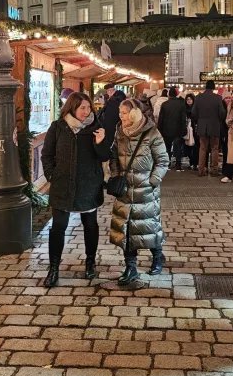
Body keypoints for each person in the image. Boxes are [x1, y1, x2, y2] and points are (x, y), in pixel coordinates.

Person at [40, 92, 110, 287]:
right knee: (58, 227)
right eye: (82, 108)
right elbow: (47, 154)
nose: (86, 112)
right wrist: (51, 175)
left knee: (90, 225)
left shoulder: (96, 128)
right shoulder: (58, 127)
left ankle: (90, 263)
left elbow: (105, 156)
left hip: (88, 185)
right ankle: (53, 268)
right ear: (72, 108)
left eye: (89, 108)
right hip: (62, 184)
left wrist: (100, 142)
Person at [109, 98, 169, 284]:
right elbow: (113, 156)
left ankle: (157, 257)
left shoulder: (151, 133)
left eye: (124, 112)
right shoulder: (119, 132)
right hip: (125, 191)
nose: (121, 116)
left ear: (135, 113)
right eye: (120, 112)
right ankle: (131, 267)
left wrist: (152, 181)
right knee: (126, 230)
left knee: (149, 227)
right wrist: (116, 174)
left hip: (146, 190)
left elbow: (163, 160)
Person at [191, 80, 226, 177]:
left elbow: (193, 113)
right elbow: (222, 113)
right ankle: (214, 170)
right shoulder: (218, 98)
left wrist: (199, 119)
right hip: (214, 126)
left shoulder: (198, 98)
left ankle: (201, 170)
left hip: (202, 126)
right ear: (213, 87)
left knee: (202, 149)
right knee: (214, 148)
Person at [157, 87, 188, 170]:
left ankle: (167, 164)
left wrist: (159, 129)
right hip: (178, 130)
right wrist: (184, 129)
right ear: (176, 94)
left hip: (166, 129)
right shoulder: (181, 104)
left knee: (167, 147)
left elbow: (161, 119)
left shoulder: (164, 104)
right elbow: (183, 118)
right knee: (177, 147)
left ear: (169, 94)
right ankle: (178, 164)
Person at [184, 93, 199, 171]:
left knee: (195, 147)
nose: (189, 101)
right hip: (186, 130)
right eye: (187, 99)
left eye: (190, 99)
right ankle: (191, 161)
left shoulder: (196, 108)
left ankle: (195, 163)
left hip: (195, 130)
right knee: (187, 147)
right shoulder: (184, 109)